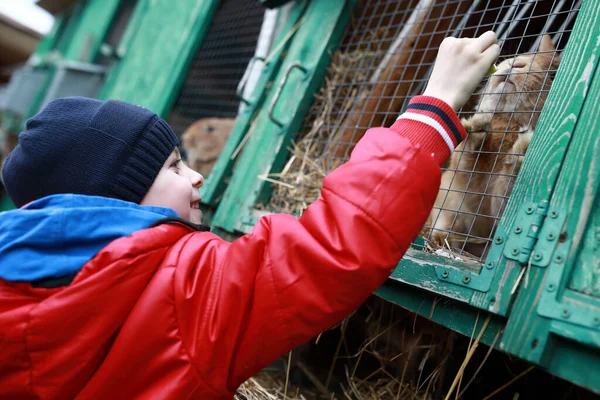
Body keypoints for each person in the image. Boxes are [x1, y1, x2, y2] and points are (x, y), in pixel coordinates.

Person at [0, 32, 499, 399]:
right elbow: (326, 250)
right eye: (174, 166)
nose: (197, 177)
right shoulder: (180, 290)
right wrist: (434, 109)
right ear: (119, 198)